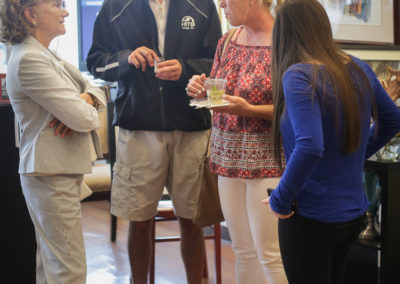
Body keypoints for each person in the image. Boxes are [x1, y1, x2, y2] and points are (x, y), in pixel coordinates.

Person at [264, 0, 400, 283]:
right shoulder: (357, 67)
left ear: (284, 35)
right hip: (351, 215)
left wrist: (280, 199)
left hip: (310, 217)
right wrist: (354, 157)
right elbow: (392, 121)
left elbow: (310, 145)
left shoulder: (297, 75)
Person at [86, 0, 221, 283]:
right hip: (138, 127)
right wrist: (126, 59)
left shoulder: (201, 5)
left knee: (192, 220)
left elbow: (219, 61)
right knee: (139, 219)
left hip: (191, 126)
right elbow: (96, 62)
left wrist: (184, 69)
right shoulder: (115, 6)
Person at [0, 0, 106, 283]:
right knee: (67, 270)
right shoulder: (30, 59)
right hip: (51, 173)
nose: (66, 11)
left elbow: (97, 88)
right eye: (56, 5)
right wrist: (84, 105)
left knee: (51, 267)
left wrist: (87, 97)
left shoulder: (46, 55)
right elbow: (86, 119)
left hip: (54, 171)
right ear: (30, 14)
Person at [186, 1, 287, 283]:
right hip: (227, 162)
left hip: (269, 163)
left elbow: (296, 108)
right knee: (243, 250)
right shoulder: (227, 41)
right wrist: (198, 87)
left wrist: (249, 110)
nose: (222, 4)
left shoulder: (285, 40)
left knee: (270, 253)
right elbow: (218, 93)